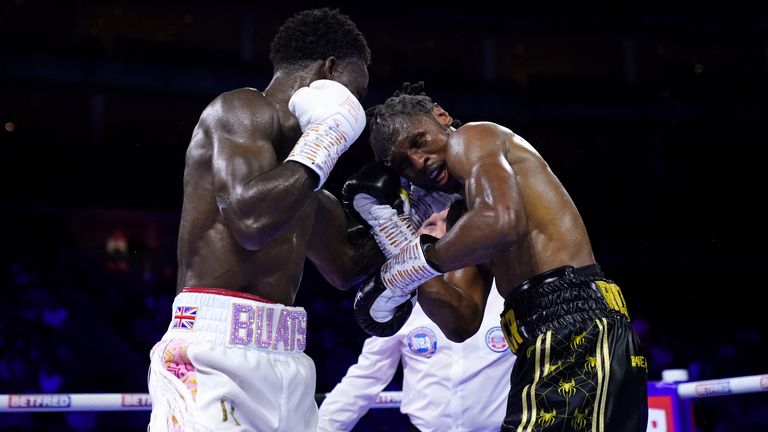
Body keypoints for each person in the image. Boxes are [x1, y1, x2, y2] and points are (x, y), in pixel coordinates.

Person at [350, 82, 648, 431]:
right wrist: (399, 242)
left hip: (574, 328)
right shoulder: (465, 220)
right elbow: (461, 320)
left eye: (419, 142)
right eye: (404, 165)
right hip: (544, 339)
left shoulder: (475, 137)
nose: (419, 161)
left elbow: (501, 221)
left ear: (441, 116)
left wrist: (415, 264)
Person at [146, 8, 382, 432]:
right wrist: (325, 139)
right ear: (328, 70)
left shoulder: (303, 179)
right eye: (356, 89)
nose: (356, 106)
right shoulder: (239, 110)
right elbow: (251, 221)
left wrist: (407, 221)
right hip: (211, 354)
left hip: (289, 363)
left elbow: (344, 267)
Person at [317, 210, 517, 432]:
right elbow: (366, 378)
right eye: (430, 225)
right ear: (412, 234)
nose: (442, 234)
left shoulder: (505, 293)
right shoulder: (400, 301)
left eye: (451, 224)